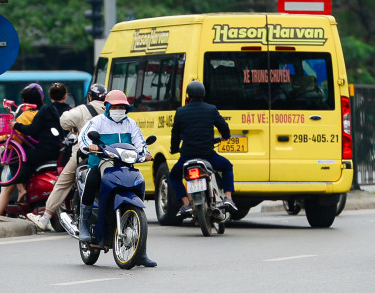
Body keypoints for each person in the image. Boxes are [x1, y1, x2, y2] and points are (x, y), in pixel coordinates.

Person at [77, 89, 156, 267]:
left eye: (122, 107)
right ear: (107, 106)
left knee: (139, 183)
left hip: (125, 165)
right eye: (115, 106)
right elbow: (83, 137)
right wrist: (90, 146)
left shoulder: (131, 124)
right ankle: (84, 223)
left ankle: (140, 252)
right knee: (91, 182)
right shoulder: (97, 122)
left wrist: (146, 154)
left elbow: (140, 143)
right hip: (100, 163)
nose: (119, 110)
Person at [26, 83, 107, 230]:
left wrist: (74, 128)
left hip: (84, 153)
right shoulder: (111, 110)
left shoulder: (82, 110)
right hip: (110, 154)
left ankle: (45, 218)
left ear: (90, 96)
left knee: (63, 182)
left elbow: (63, 121)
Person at [169, 80, 238, 218]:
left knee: (173, 176)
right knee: (227, 167)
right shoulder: (211, 109)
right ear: (204, 95)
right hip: (208, 156)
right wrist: (226, 136)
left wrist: (174, 149)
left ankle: (186, 203)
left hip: (187, 157)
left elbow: (175, 135)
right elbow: (223, 126)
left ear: (188, 96)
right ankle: (228, 198)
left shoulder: (180, 112)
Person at [0, 83, 61, 215]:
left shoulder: (26, 115)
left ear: (24, 101)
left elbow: (26, 133)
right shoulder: (48, 110)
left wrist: (14, 127)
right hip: (52, 149)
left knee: (14, 159)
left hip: (43, 151)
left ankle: (20, 190)